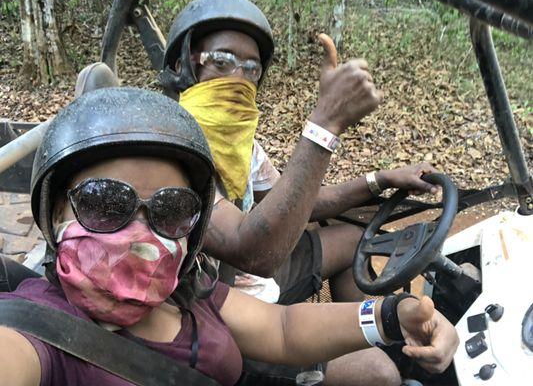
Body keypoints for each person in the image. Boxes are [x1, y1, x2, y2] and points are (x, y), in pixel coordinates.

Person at [0, 87, 458, 386]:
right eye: (105, 203)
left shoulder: (184, 291)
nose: (140, 233)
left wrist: (393, 315)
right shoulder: (35, 331)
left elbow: (283, 329)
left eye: (171, 209)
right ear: (55, 210)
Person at [161, 0, 441, 384]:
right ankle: (357, 353)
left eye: (250, 68)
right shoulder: (168, 148)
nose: (237, 79)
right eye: (221, 62)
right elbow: (255, 253)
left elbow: (295, 204)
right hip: (222, 311)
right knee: (379, 375)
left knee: (354, 241)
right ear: (183, 65)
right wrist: (325, 124)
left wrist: (380, 179)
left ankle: (365, 335)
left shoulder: (240, 143)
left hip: (260, 282)